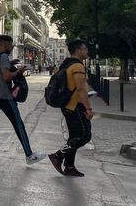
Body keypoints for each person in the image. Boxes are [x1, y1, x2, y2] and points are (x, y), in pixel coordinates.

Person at [0, 35, 46, 166]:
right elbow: (6, 77)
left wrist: (11, 64)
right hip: (5, 97)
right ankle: (29, 155)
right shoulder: (4, 56)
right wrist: (18, 71)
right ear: (5, 45)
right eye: (10, 45)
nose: (11, 48)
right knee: (19, 125)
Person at [48, 39, 93, 177]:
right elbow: (81, 89)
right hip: (75, 106)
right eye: (85, 49)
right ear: (79, 50)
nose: (87, 52)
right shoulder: (78, 67)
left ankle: (69, 166)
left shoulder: (67, 65)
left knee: (74, 137)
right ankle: (58, 155)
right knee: (84, 135)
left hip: (67, 105)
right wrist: (88, 108)